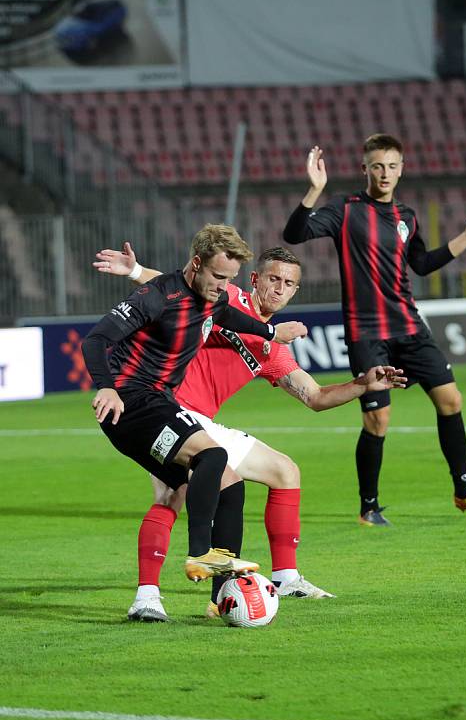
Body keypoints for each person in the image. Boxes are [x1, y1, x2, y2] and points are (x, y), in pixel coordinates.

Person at [94, 242, 406, 621]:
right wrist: (134, 270)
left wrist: (363, 384)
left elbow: (316, 397)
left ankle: (268, 580)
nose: (279, 288)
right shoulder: (229, 296)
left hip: (197, 421)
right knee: (176, 493)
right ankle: (159, 595)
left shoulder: (273, 348)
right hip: (168, 408)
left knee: (278, 473)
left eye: (289, 283)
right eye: (273, 278)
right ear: (255, 279)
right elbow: (175, 289)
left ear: (295, 291)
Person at [283, 136, 466, 526]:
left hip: (409, 327)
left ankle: (465, 491)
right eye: (377, 166)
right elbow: (294, 235)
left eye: (391, 166)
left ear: (401, 169)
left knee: (451, 400)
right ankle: (368, 508)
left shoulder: (408, 216)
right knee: (378, 421)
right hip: (367, 333)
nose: (384, 173)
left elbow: (420, 264)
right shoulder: (345, 209)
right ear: (365, 169)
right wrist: (315, 190)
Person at [82, 224, 308, 592]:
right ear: (196, 263)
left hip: (157, 403)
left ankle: (197, 592)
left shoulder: (213, 297)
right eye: (219, 276)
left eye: (229, 278)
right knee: (213, 455)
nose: (223, 286)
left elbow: (231, 316)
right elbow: (95, 340)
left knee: (228, 486)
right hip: (134, 400)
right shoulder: (155, 297)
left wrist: (271, 333)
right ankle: (201, 553)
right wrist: (107, 387)